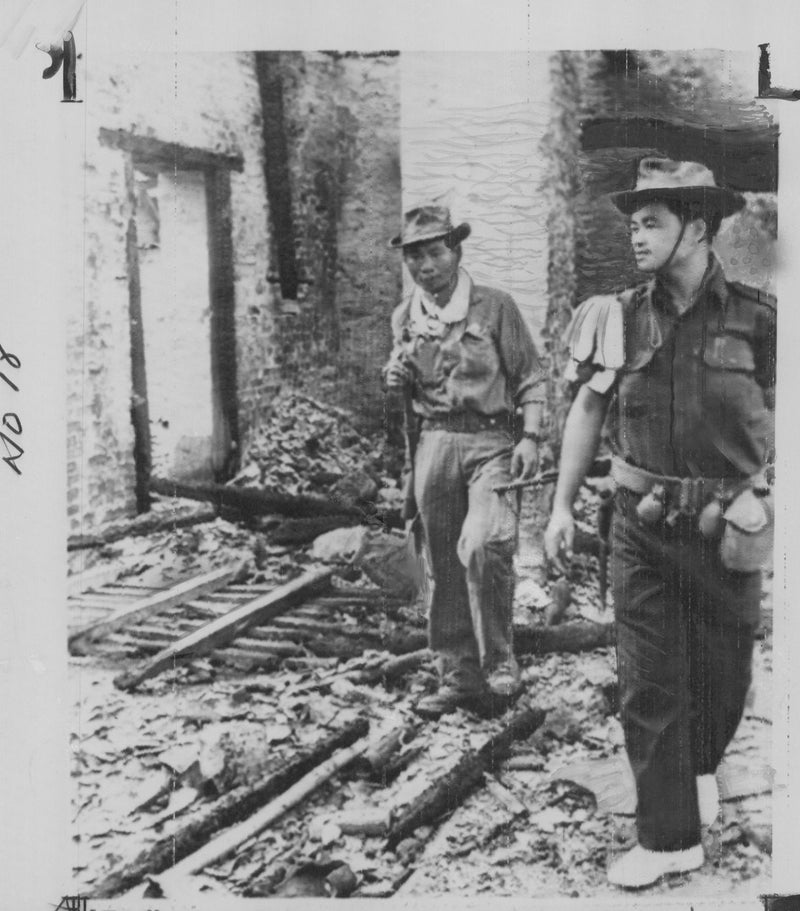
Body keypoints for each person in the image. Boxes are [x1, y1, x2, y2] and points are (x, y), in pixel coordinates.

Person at [544, 159, 776, 888]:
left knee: (725, 672)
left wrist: (771, 492)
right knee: (648, 681)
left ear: (698, 227)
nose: (637, 236)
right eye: (634, 223)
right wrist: (559, 504)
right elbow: (587, 408)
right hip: (638, 525)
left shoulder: (758, 317)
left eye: (653, 222)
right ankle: (668, 834)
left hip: (726, 525)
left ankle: (701, 766)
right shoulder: (616, 315)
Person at [383, 204, 546, 718]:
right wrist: (396, 380)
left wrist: (532, 437)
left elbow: (530, 377)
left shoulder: (494, 307)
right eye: (415, 257)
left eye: (434, 252)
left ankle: (500, 661)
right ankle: (458, 674)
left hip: (490, 443)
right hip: (434, 444)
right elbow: (410, 392)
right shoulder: (404, 317)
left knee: (484, 544)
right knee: (443, 564)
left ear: (455, 251)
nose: (425, 265)